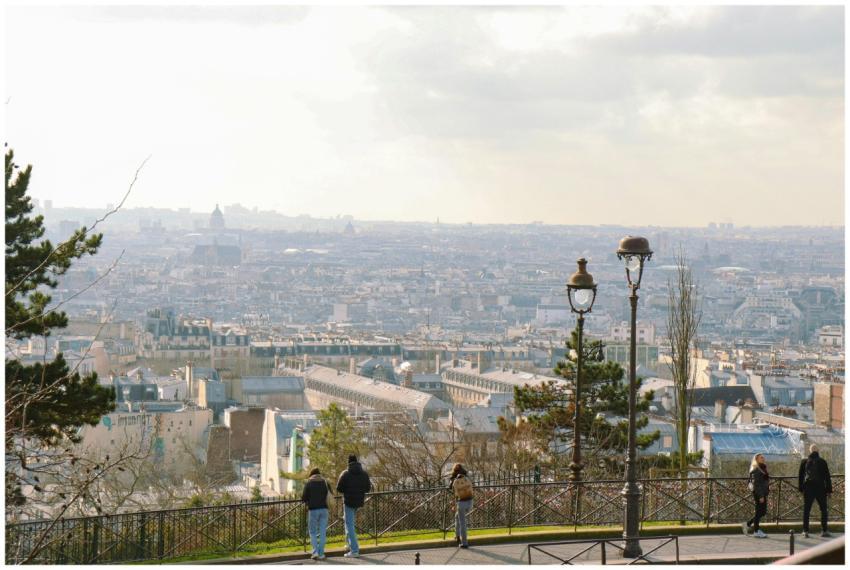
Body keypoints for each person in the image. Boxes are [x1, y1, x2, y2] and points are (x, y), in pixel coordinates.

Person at [336, 454, 372, 558]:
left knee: (349, 525)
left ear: (348, 462)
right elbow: (368, 488)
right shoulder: (364, 474)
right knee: (349, 524)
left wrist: (347, 490)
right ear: (357, 462)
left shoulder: (345, 474)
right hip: (359, 501)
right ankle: (349, 545)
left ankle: (354, 550)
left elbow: (339, 488)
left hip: (348, 502)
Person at [798, 444, 833, 538]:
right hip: (821, 488)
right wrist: (829, 490)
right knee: (823, 510)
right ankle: (824, 530)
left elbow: (800, 477)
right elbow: (827, 477)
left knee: (806, 510)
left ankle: (805, 531)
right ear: (818, 451)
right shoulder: (822, 461)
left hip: (808, 488)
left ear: (810, 451)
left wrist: (801, 489)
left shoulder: (804, 461)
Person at [301, 467, 331, 560]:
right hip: (324, 509)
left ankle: (315, 552)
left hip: (313, 510)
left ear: (311, 474)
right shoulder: (325, 482)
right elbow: (330, 494)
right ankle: (321, 553)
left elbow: (304, 498)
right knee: (322, 531)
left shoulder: (309, 483)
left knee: (313, 532)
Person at [742, 453, 770, 538]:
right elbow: (756, 484)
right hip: (758, 493)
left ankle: (748, 524)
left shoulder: (762, 467)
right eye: (761, 457)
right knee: (759, 511)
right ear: (756, 459)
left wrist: (768, 486)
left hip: (763, 492)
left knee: (763, 512)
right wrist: (761, 496)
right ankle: (756, 531)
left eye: (763, 457)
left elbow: (764, 480)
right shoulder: (756, 470)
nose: (763, 458)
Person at [448, 463, 473, 549]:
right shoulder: (466, 476)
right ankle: (457, 535)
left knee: (462, 523)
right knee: (457, 517)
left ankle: (464, 543)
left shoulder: (454, 478)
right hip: (470, 501)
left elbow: (450, 488)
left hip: (461, 502)